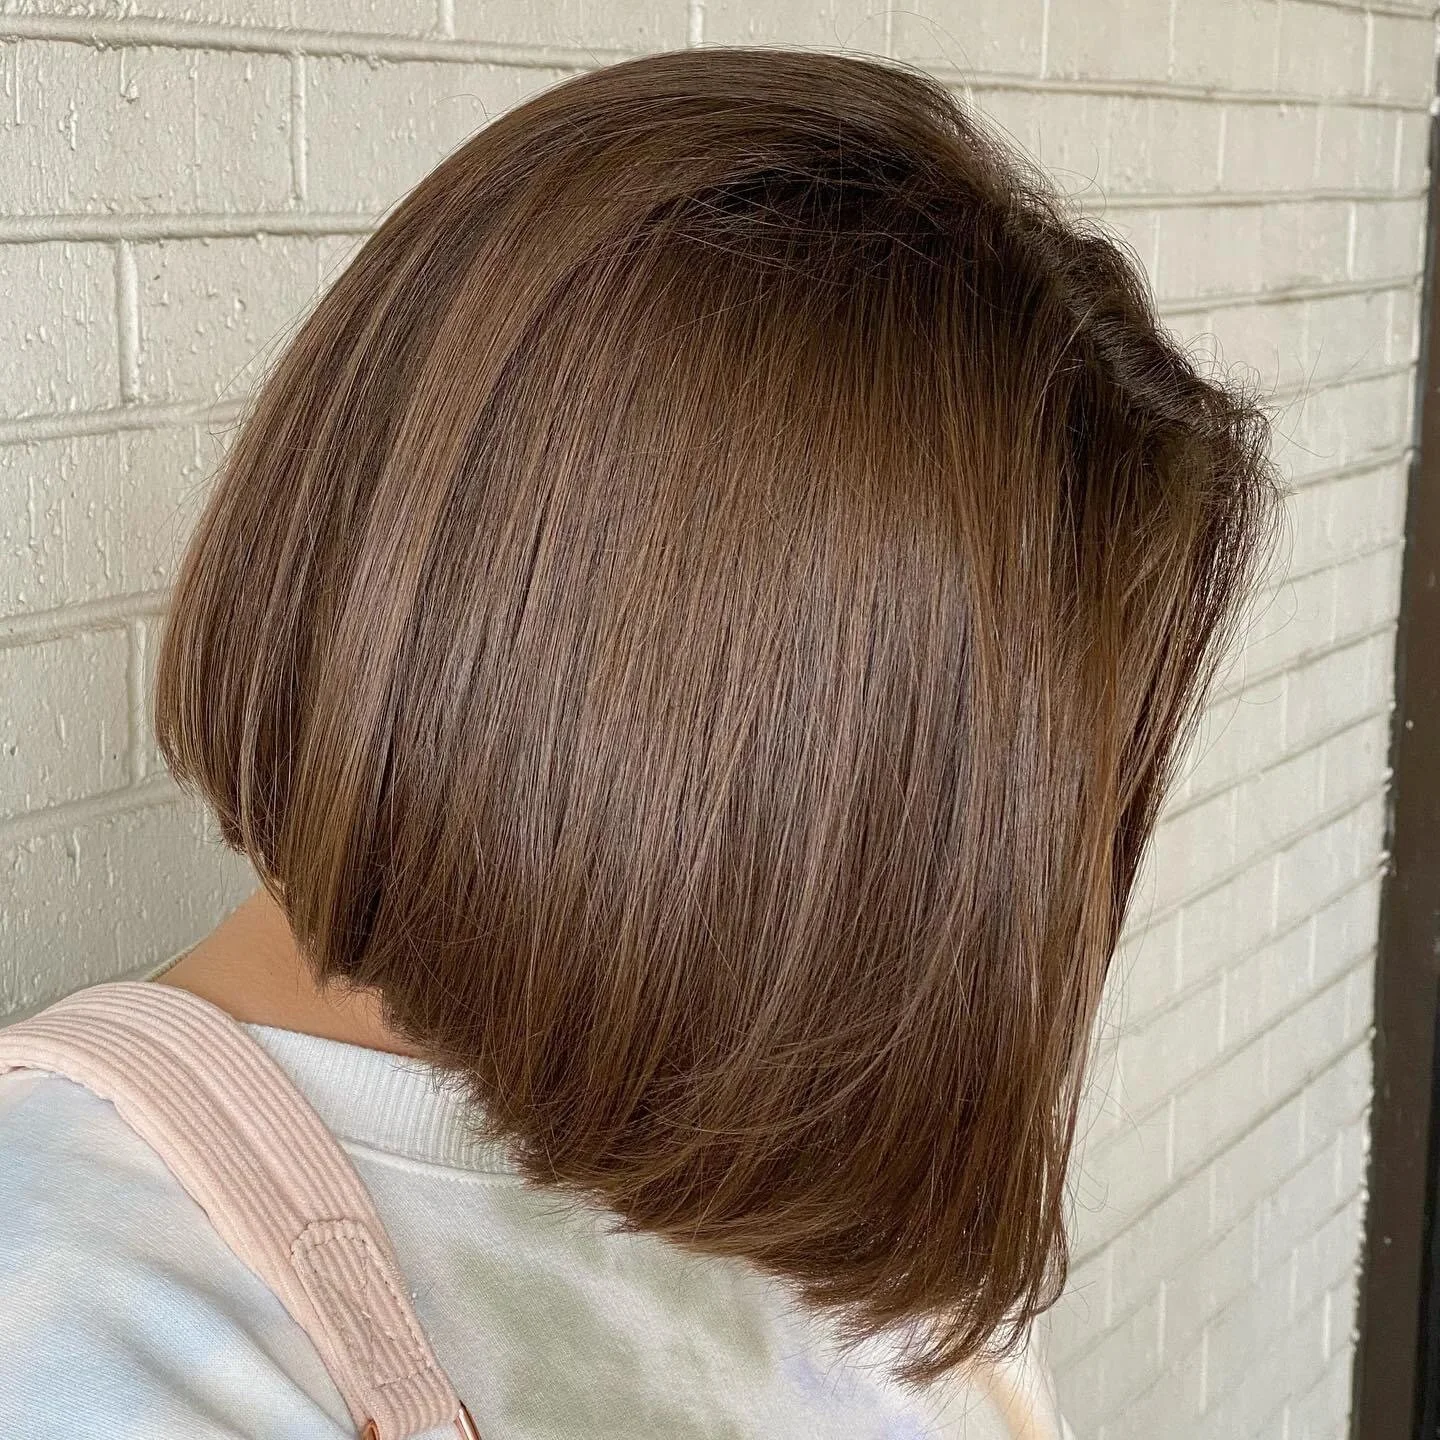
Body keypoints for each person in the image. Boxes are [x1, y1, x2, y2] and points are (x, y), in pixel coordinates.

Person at [0, 46, 1278, 1439]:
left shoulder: (826, 1166)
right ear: (736, 771)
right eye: (996, 797)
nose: (1024, 900)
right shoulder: (80, 1321)